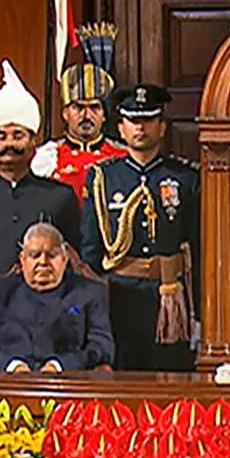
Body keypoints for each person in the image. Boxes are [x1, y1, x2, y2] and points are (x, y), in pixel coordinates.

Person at [0, 60, 81, 361]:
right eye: (1, 136)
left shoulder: (59, 197)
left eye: (18, 136)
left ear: (33, 140)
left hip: (51, 326)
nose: (9, 144)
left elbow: (76, 266)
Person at [81, 83, 200, 371]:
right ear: (120, 128)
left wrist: (200, 317)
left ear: (162, 127)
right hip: (119, 298)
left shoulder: (185, 177)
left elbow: (198, 245)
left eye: (148, 120)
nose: (140, 128)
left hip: (170, 298)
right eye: (133, 120)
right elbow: (90, 251)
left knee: (171, 379)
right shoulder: (102, 177)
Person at [0, 222, 114, 372]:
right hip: (8, 382)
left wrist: (60, 366)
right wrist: (13, 366)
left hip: (68, 382)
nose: (43, 262)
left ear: (64, 259)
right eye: (34, 255)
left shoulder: (90, 292)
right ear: (22, 259)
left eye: (52, 255)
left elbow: (102, 347)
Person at [31, 22, 127, 197]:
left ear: (104, 114)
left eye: (94, 108)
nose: (86, 115)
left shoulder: (122, 156)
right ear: (65, 113)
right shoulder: (48, 157)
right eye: (78, 107)